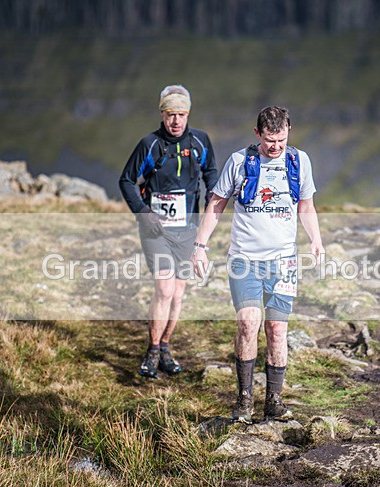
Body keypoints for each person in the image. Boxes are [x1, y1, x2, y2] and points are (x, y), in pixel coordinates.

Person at [191, 106, 324, 423]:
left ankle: (274, 401)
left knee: (277, 330)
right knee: (248, 323)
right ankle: (244, 399)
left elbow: (306, 206)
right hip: (245, 260)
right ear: (257, 134)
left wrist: (316, 240)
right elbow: (216, 203)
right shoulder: (239, 162)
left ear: (289, 129)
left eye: (280, 139)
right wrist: (200, 246)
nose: (275, 147)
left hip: (284, 262)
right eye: (269, 141)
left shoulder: (299, 161)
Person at [119, 84, 218, 379]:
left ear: (188, 114)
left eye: (181, 114)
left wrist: (214, 197)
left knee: (178, 293)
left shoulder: (200, 141)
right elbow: (126, 181)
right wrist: (143, 212)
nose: (176, 121)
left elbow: (211, 171)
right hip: (156, 231)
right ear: (162, 114)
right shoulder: (149, 143)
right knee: (164, 288)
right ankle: (151, 351)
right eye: (170, 114)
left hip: (187, 230)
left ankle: (165, 346)